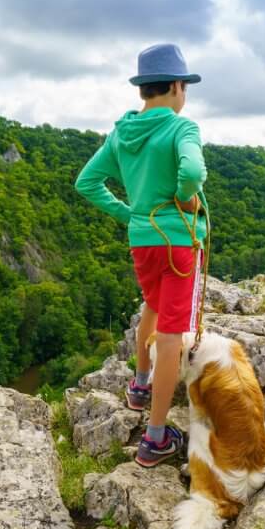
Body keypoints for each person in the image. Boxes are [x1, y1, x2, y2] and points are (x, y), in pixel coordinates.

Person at [74, 43, 207, 467]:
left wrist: (128, 212)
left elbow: (87, 182)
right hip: (177, 243)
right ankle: (155, 438)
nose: (184, 95)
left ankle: (140, 384)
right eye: (184, 86)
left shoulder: (121, 134)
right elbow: (191, 173)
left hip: (142, 239)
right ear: (175, 86)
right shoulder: (181, 129)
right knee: (171, 334)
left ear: (142, 90)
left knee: (151, 304)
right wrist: (185, 199)